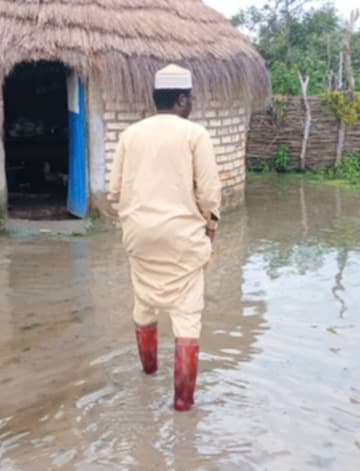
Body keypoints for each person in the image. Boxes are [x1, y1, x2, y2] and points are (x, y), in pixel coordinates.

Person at [109, 64, 222, 412]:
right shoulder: (195, 135)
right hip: (182, 239)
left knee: (144, 302)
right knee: (187, 316)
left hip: (139, 236)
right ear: (182, 99)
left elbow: (114, 191)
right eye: (191, 99)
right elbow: (209, 194)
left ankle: (148, 373)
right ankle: (183, 406)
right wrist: (210, 228)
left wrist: (134, 222)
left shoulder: (130, 135)